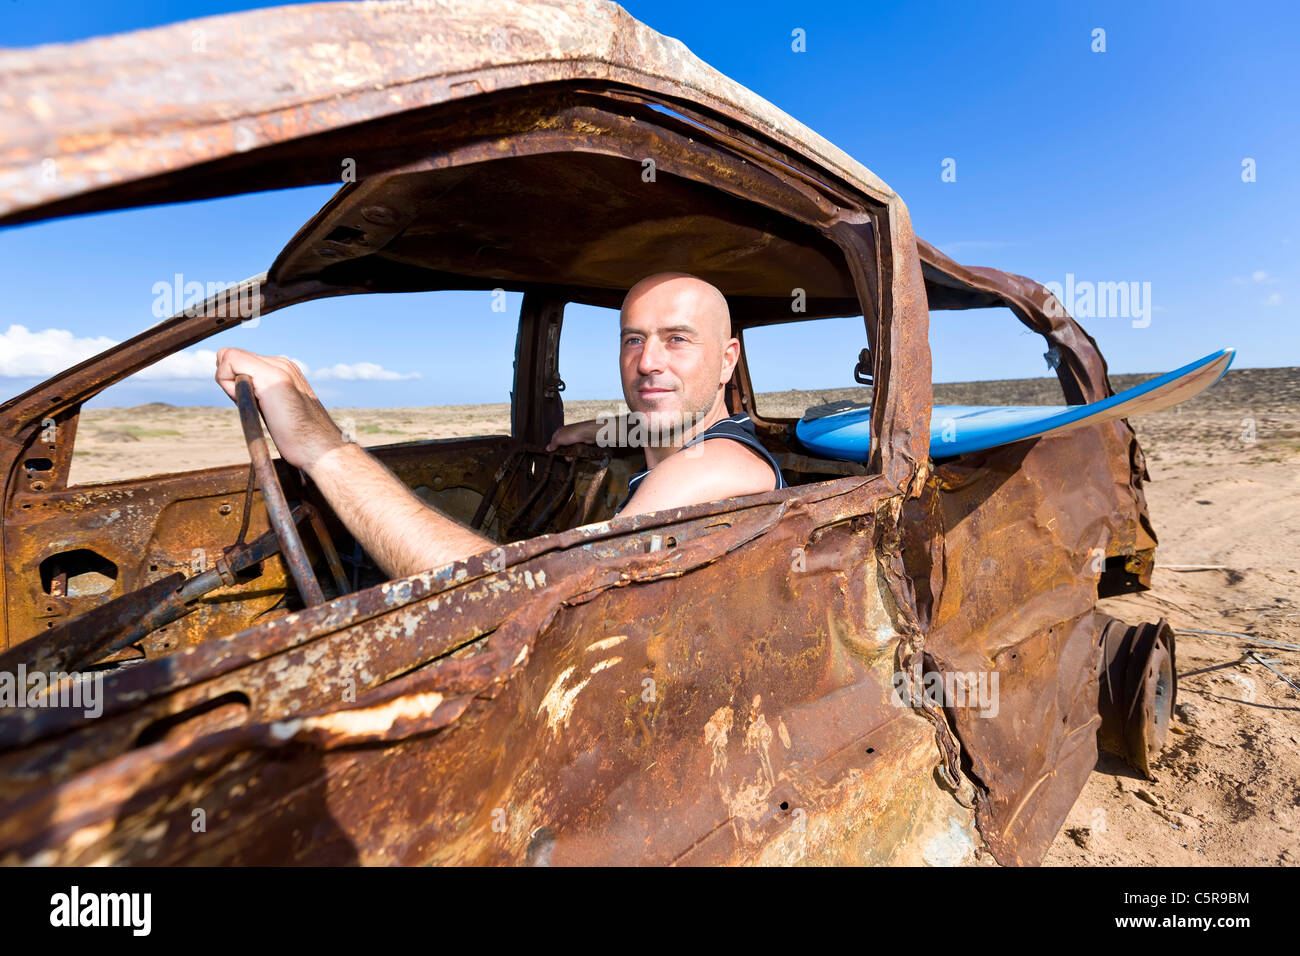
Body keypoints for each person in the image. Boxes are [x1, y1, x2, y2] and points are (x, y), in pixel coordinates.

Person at [213, 272, 784, 579]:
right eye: (633, 339)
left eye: (677, 340)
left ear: (728, 360)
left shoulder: (708, 473)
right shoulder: (680, 439)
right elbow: (647, 428)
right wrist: (583, 430)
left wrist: (325, 449)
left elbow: (529, 592)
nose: (649, 361)